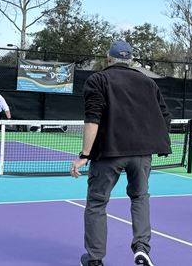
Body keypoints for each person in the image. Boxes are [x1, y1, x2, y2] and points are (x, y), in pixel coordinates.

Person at [70, 41, 172, 266]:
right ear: (131, 60)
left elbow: (92, 119)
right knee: (140, 197)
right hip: (142, 154)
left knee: (97, 203)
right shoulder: (148, 83)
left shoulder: (97, 79)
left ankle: (95, 259)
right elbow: (165, 118)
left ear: (109, 57)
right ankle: (142, 248)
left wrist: (84, 155)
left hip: (108, 153)